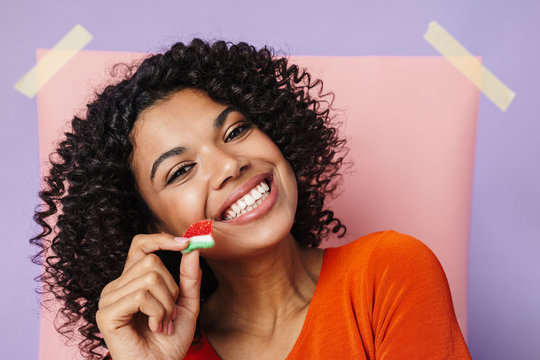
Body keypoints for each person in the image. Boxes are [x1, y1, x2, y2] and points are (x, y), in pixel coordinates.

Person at [32, 39, 471, 360]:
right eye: (181, 170)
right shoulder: (171, 349)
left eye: (236, 131)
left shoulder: (388, 272)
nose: (229, 164)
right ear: (155, 231)